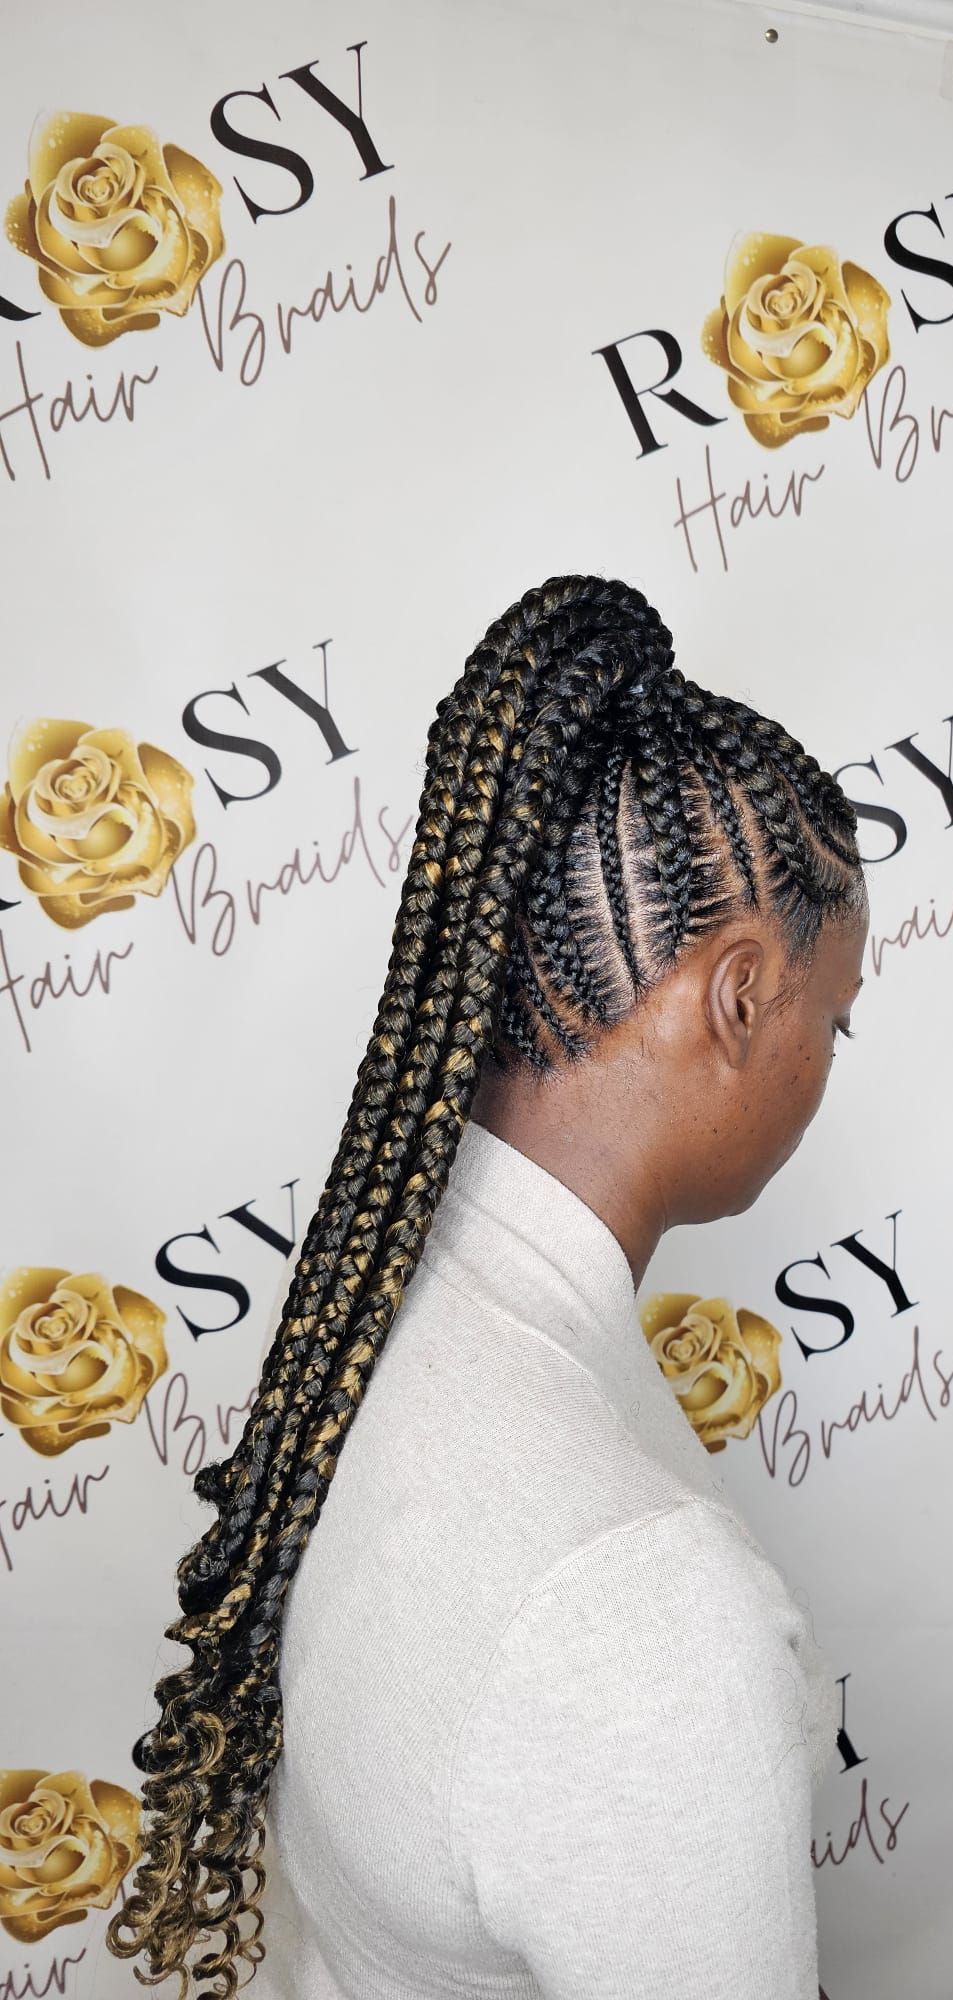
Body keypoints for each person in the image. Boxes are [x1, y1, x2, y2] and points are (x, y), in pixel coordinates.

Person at [107, 575, 870, 1998]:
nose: (832, 1062)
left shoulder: (392, 1294)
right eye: (838, 1018)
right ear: (741, 995)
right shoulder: (644, 1618)